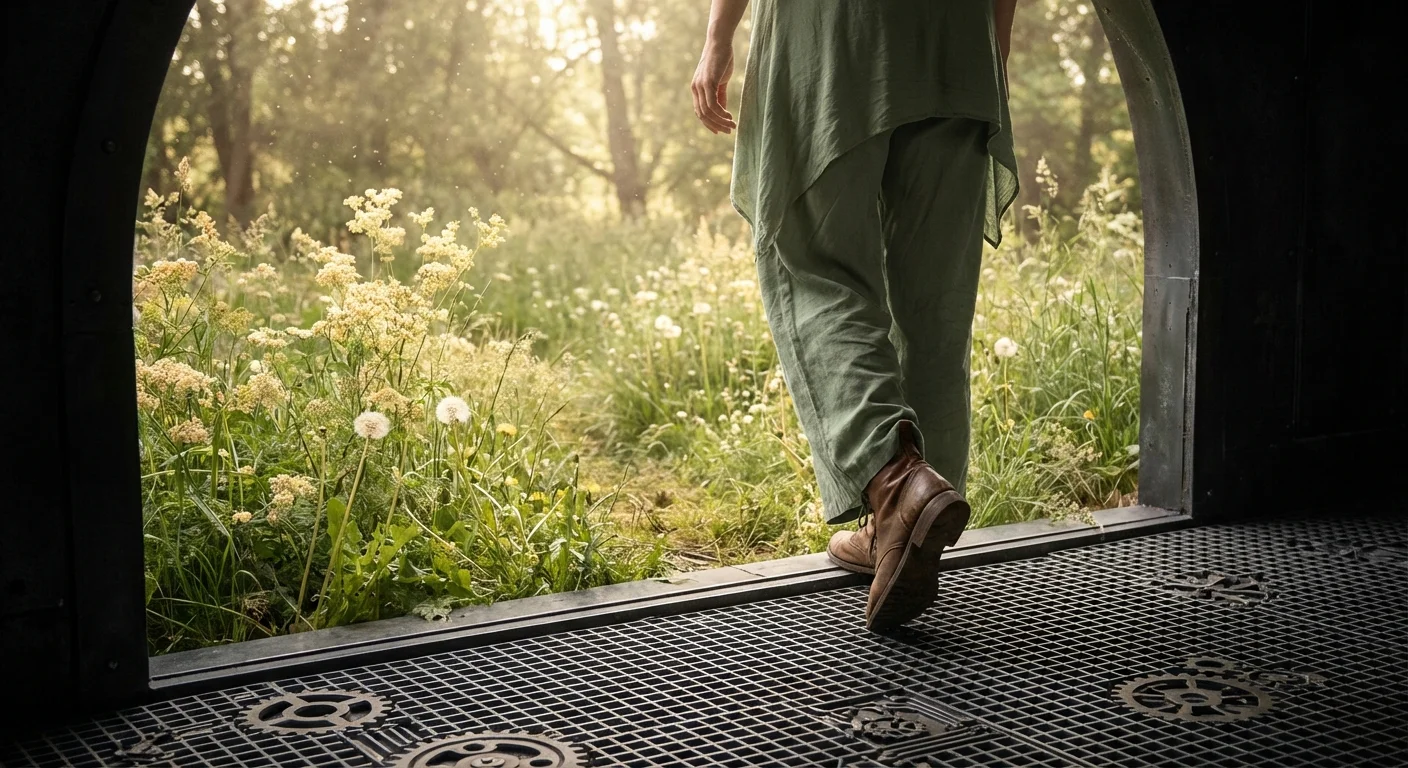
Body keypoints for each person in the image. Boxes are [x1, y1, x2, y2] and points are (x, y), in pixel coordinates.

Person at [691, 0, 1020, 631]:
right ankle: (905, 529)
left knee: (812, 266)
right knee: (934, 303)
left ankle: (897, 483)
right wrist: (989, 45)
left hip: (835, 38)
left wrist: (718, 37)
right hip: (957, 43)